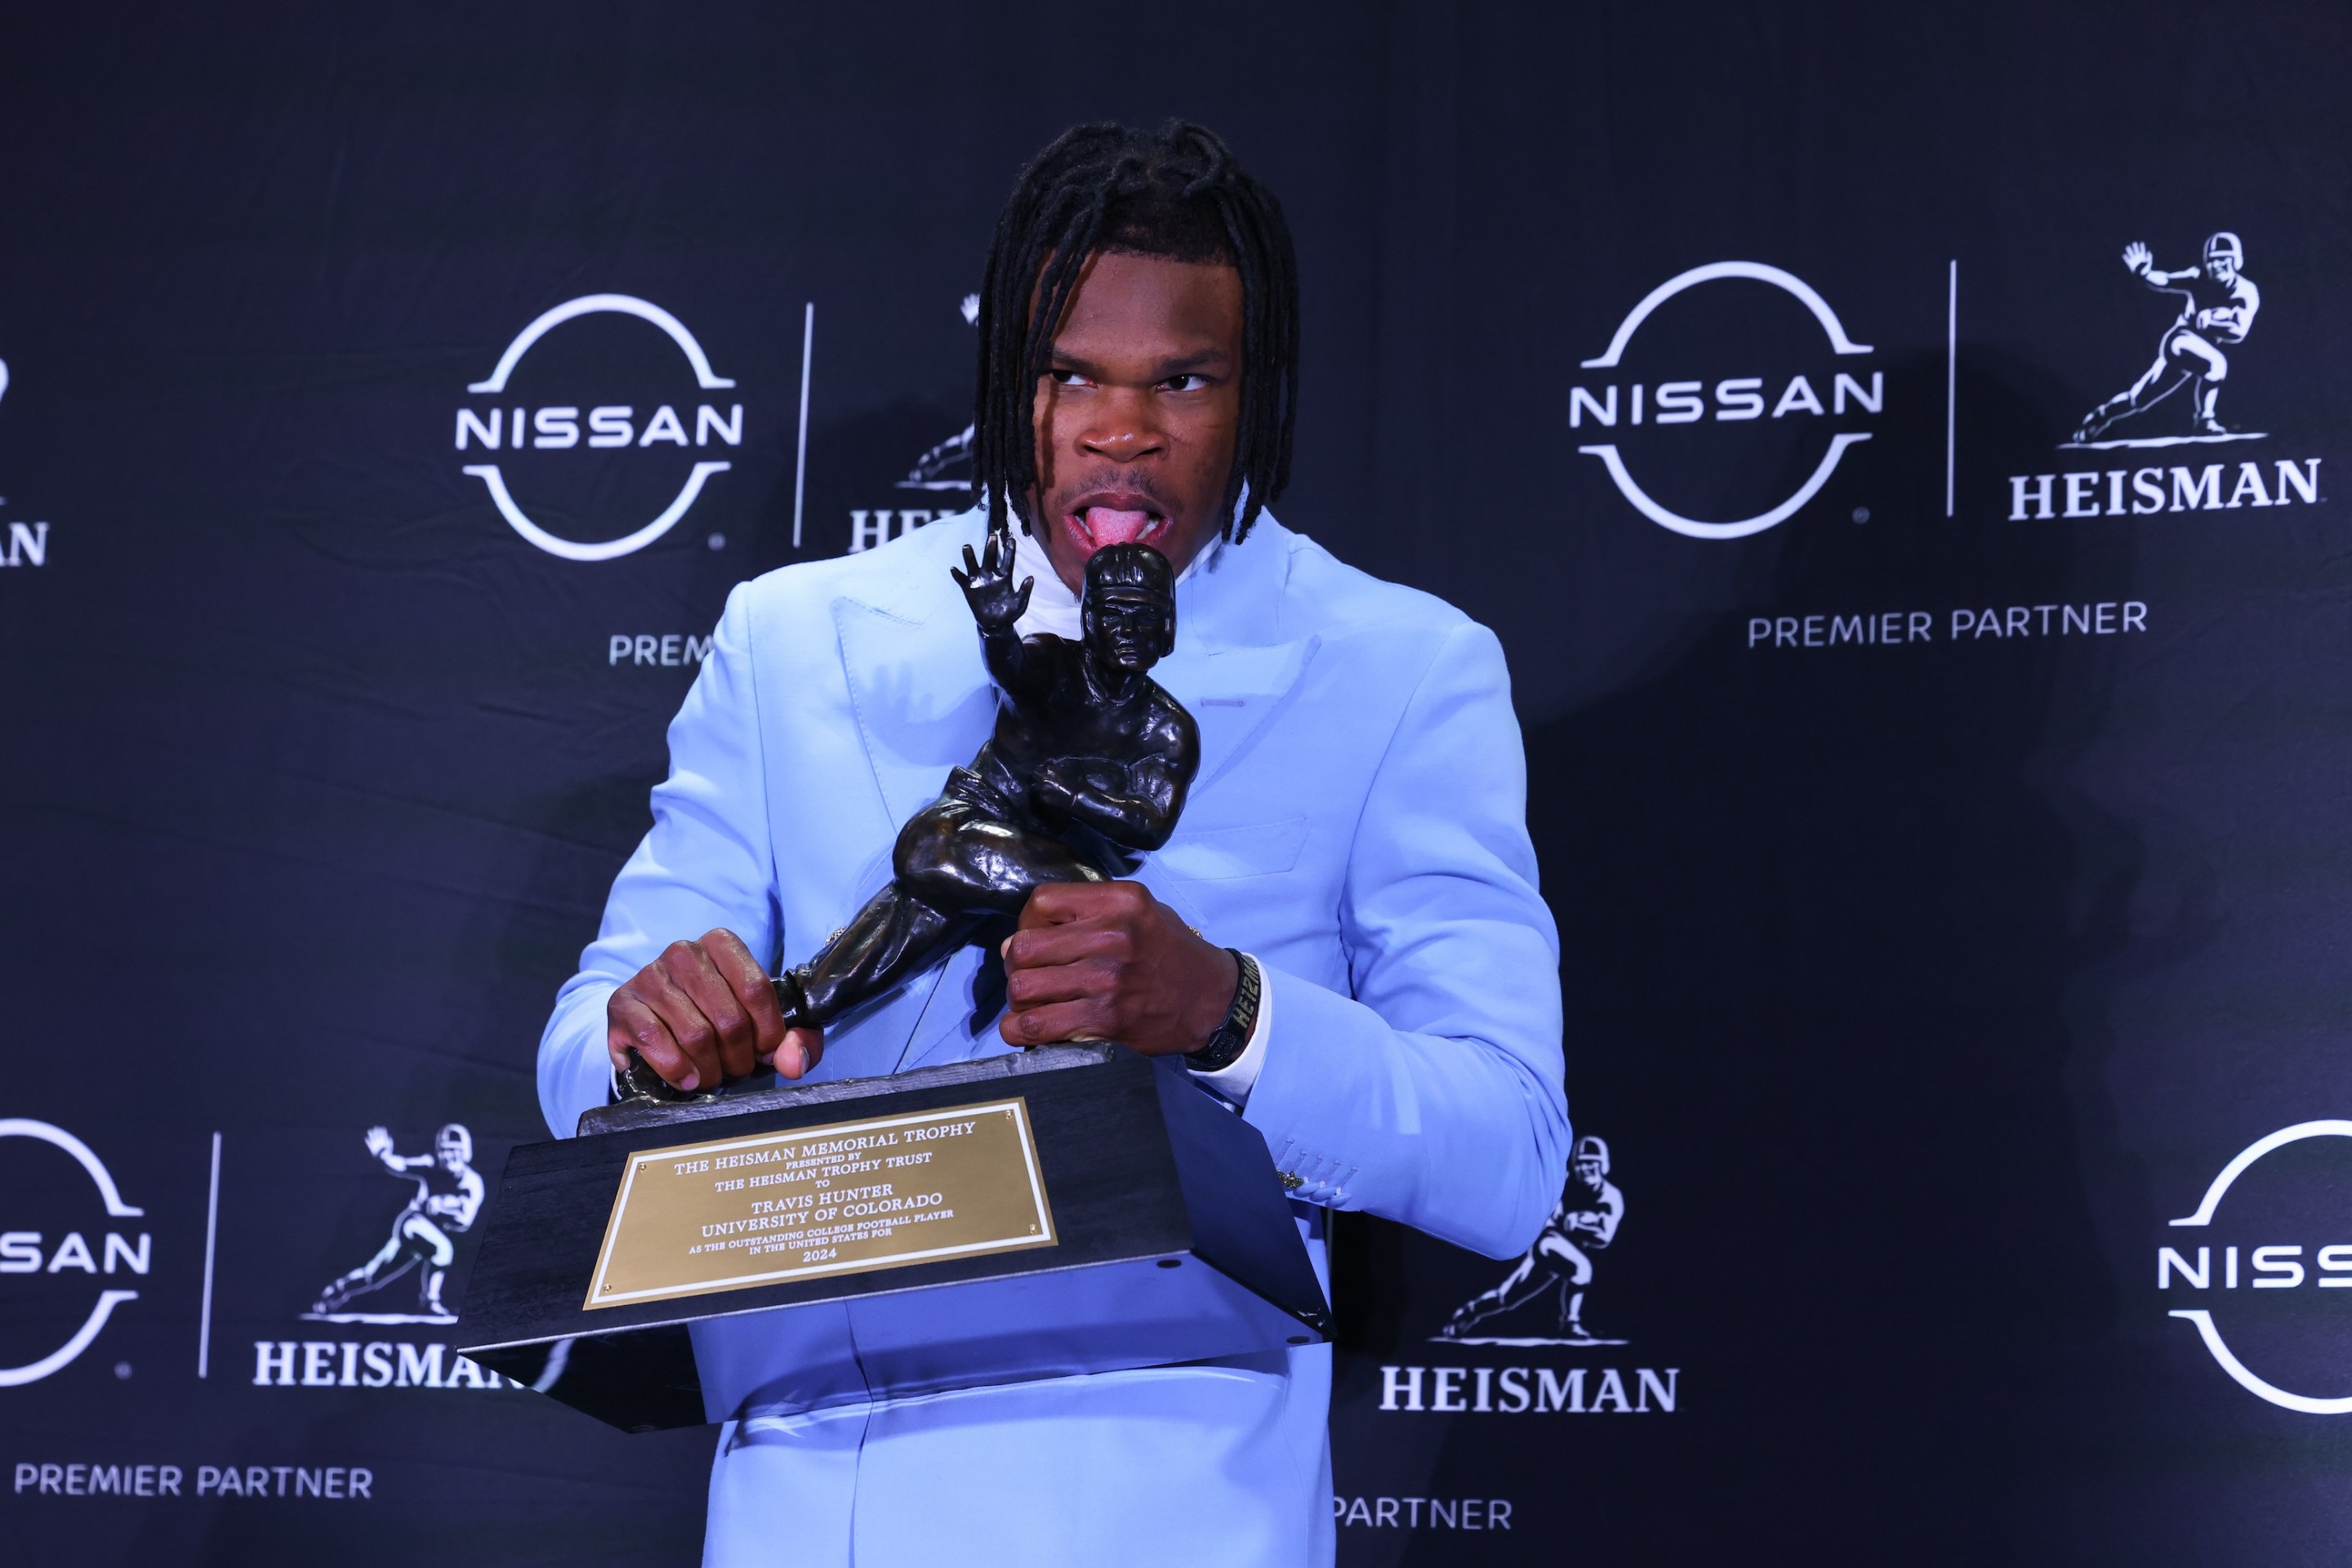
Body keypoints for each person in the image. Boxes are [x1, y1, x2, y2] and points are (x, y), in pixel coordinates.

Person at [537, 120, 1568, 1567]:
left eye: (1183, 380)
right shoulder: (793, 640)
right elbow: (587, 1050)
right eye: (1069, 371)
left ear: (1253, 392)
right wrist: (654, 1044)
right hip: (823, 1493)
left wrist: (1229, 1015)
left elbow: (1509, 1154)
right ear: (1009, 379)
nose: (1118, 429)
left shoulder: (1401, 668)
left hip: (1181, 1511)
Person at [2072, 232, 2261, 442]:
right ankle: (2205, 420)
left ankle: (2099, 417)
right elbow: (2167, 280)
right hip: (2181, 340)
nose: (2217, 265)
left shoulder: (2246, 291)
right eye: (2212, 259)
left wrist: (2213, 323)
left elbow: (2239, 332)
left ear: (2236, 260)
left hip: (2201, 348)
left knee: (2139, 399)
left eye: (2223, 259)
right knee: (2217, 365)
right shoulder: (2199, 277)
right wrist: (2144, 272)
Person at [1439, 1134, 1623, 1344]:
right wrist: (1568, 1222)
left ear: (1603, 1165)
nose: (1585, 1168)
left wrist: (1578, 1225)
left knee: (1507, 1298)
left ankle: (1470, 1312)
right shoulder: (1561, 1182)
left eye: (1592, 1162)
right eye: (1581, 1163)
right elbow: (1541, 1220)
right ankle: (1570, 1323)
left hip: (1567, 1247)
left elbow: (1604, 1238)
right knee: (1582, 1271)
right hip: (1547, 1241)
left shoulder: (1610, 1197)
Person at [311, 1125, 483, 1321]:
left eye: (454, 1150)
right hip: (413, 1224)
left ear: (465, 1152)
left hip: (430, 1233)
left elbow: (465, 1222)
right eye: (444, 1149)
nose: (448, 1155)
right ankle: (430, 1301)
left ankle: (334, 1292)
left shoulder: (472, 1183)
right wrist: (384, 1155)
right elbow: (402, 1165)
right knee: (443, 1250)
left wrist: (443, 1209)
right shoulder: (432, 1165)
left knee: (372, 1277)